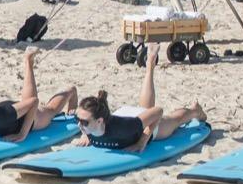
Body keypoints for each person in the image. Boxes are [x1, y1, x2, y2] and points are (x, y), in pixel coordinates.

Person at [69, 44, 205, 152]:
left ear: (99, 121)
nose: (79, 124)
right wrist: (86, 133)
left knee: (174, 121)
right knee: (144, 109)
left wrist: (142, 141)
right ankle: (150, 65)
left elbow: (158, 111)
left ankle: (195, 110)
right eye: (77, 119)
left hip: (134, 124)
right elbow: (86, 121)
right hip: (123, 114)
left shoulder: (124, 128)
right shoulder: (91, 125)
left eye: (84, 122)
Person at [0, 50, 76, 142]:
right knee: (25, 100)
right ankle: (28, 62)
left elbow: (33, 101)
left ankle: (71, 91)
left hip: (23, 119)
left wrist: (22, 134)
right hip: (6, 110)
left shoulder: (0, 118)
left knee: (51, 111)